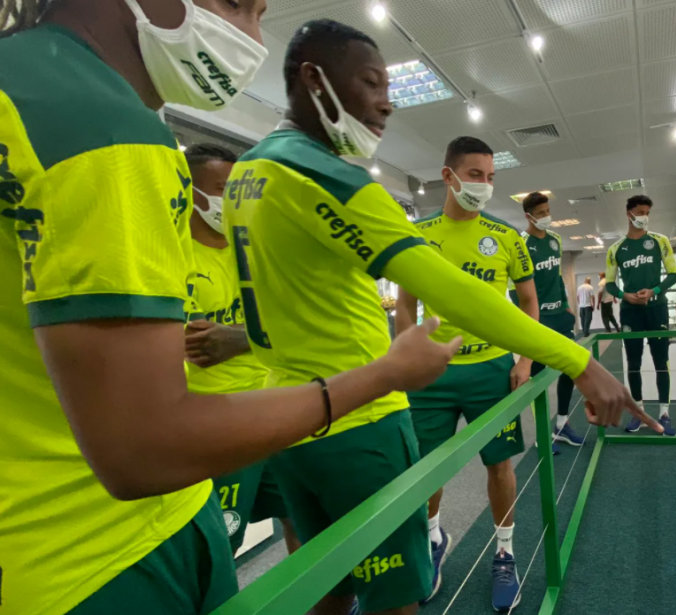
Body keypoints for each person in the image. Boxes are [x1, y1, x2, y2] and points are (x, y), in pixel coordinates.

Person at [0, 3, 459, 615]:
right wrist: (384, 374)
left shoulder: (26, 83)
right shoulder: (102, 128)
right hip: (104, 554)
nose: (250, 37)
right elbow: (145, 445)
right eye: (237, 2)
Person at [224, 20, 653, 615]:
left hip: (292, 419)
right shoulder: (327, 176)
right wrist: (578, 358)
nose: (387, 102)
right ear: (313, 80)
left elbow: (280, 300)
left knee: (328, 583)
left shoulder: (249, 171)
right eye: (370, 82)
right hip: (360, 422)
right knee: (396, 598)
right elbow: (453, 295)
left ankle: (501, 548)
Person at [396, 141, 534, 611]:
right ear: (449, 176)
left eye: (491, 176)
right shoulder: (418, 234)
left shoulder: (507, 236)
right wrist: (410, 354)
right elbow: (406, 303)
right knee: (427, 469)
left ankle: (505, 553)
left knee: (499, 465)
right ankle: (434, 540)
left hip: (492, 370)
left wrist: (524, 360)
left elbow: (529, 301)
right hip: (435, 374)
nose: (485, 185)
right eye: (475, 174)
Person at [183, 143, 301, 557]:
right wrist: (260, 330)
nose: (231, 202)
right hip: (216, 422)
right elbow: (194, 345)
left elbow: (295, 321)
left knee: (301, 519)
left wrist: (240, 337)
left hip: (273, 404)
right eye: (221, 189)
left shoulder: (255, 250)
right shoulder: (173, 257)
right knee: (221, 543)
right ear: (191, 193)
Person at [605, 195, 676, 436]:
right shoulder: (616, 248)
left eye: (647, 212)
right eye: (639, 212)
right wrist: (624, 295)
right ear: (629, 213)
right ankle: (638, 414)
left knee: (661, 363)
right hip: (630, 313)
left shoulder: (660, 241)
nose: (644, 217)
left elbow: (673, 274)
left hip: (657, 309)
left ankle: (665, 414)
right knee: (634, 364)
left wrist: (655, 291)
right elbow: (608, 283)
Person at [520, 191, 587, 451]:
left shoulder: (556, 240)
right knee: (537, 379)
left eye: (548, 211)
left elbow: (557, 277)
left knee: (571, 367)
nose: (547, 217)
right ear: (528, 216)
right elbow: (517, 289)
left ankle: (561, 424)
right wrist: (528, 321)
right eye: (541, 214)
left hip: (558, 315)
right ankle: (542, 434)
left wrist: (567, 307)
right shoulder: (521, 244)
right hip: (536, 319)